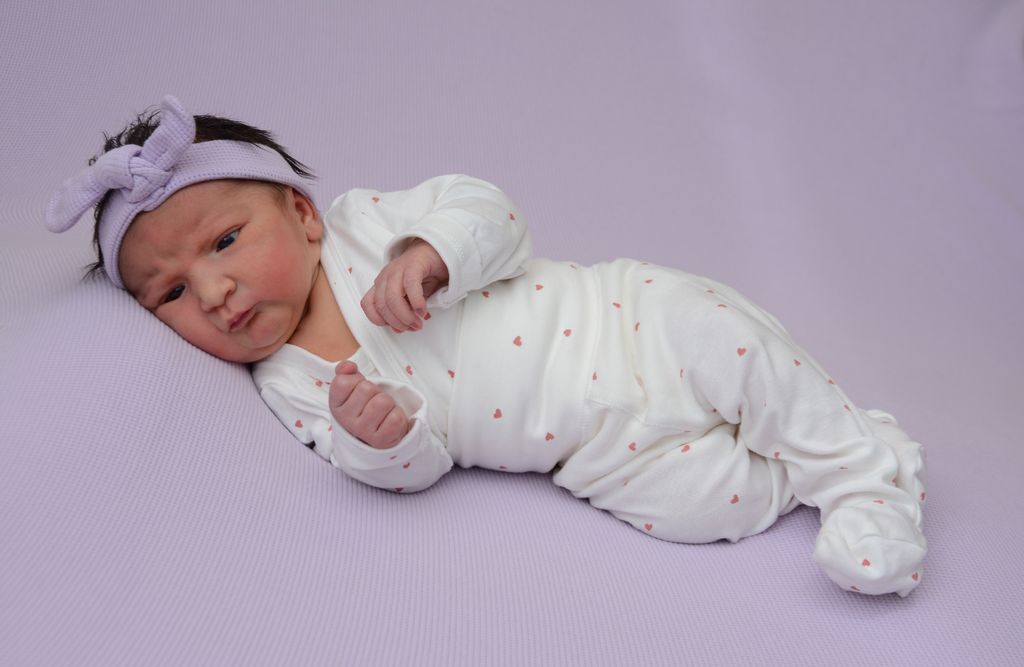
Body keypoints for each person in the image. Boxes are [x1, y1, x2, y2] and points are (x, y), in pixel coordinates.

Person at [46, 95, 928, 597]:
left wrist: (434, 254)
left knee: (731, 349)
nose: (212, 292)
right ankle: (851, 457)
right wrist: (379, 439)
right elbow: (418, 468)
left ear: (304, 216)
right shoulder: (289, 381)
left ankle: (860, 483)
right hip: (591, 454)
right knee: (702, 512)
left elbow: (490, 211)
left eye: (225, 241)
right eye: (170, 292)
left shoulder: (368, 226)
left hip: (626, 323)